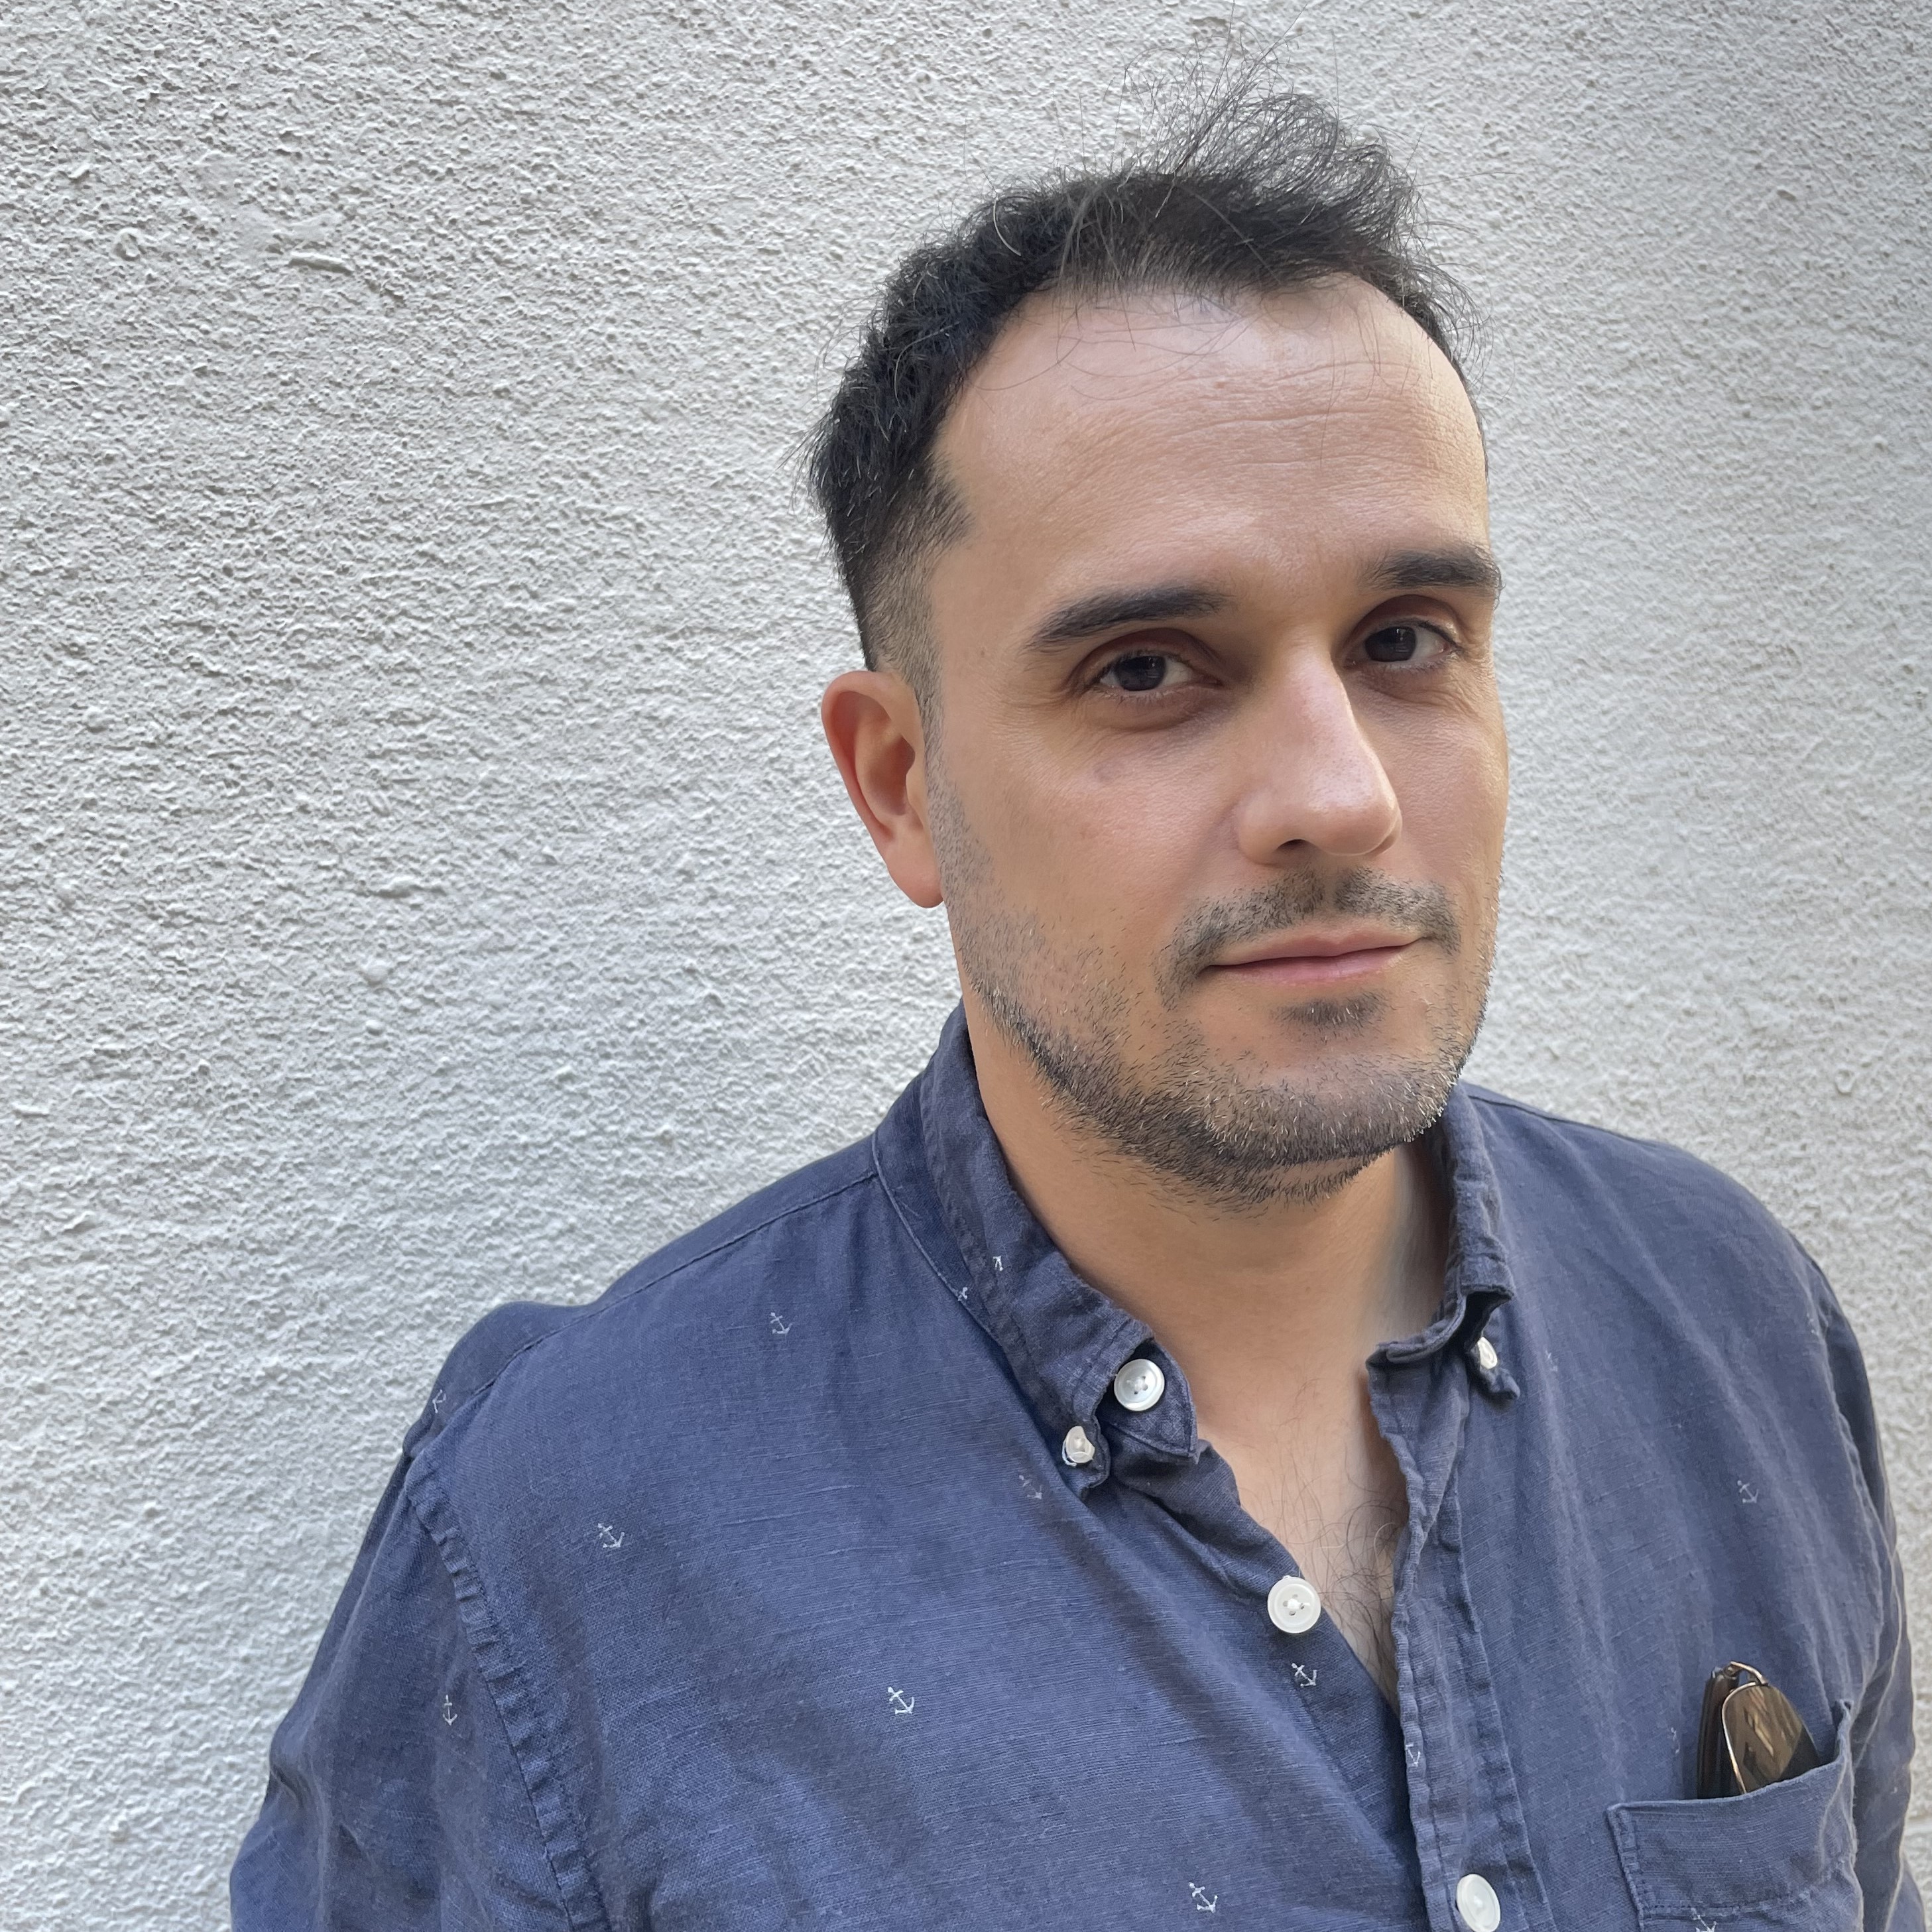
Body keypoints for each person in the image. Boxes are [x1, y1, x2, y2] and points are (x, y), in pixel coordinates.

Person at [231, 84, 1919, 1931]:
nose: (1340, 793)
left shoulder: (1732, 1322)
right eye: (1147, 669)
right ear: (901, 783)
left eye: (1403, 641)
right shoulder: (566, 1538)